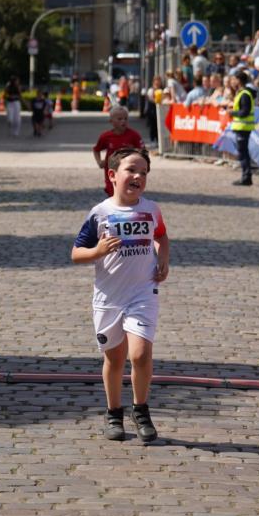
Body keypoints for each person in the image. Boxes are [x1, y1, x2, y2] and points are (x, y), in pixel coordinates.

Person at [71, 146, 170, 444]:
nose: (138, 176)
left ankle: (141, 410)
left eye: (144, 172)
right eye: (131, 170)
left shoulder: (151, 209)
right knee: (114, 359)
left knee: (140, 354)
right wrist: (98, 251)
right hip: (109, 298)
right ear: (112, 175)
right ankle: (114, 412)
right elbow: (76, 253)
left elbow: (160, 235)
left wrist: (163, 258)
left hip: (143, 292)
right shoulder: (100, 212)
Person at [93, 106, 144, 196]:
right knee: (112, 192)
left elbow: (143, 151)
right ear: (111, 121)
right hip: (111, 170)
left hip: (128, 170)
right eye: (119, 119)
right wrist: (99, 162)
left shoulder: (134, 135)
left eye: (125, 118)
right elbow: (96, 149)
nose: (123, 121)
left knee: (126, 192)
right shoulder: (106, 136)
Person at [229, 70, 257, 185]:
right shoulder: (242, 93)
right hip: (242, 127)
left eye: (234, 79)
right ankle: (246, 176)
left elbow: (244, 112)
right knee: (243, 152)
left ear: (239, 81)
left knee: (243, 153)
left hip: (243, 127)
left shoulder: (245, 94)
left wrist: (232, 113)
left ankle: (246, 177)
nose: (232, 82)